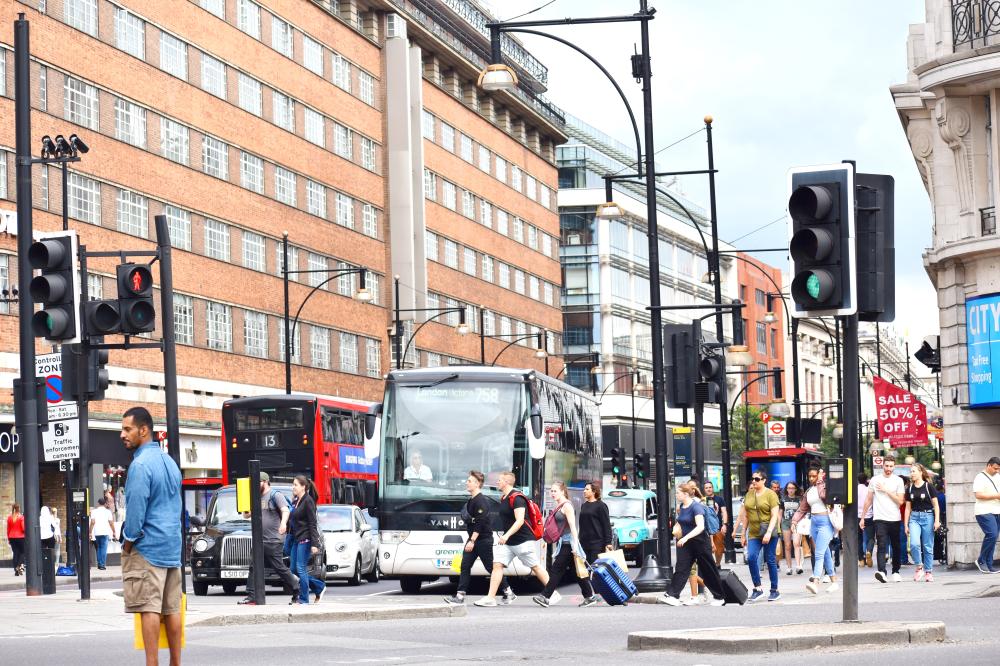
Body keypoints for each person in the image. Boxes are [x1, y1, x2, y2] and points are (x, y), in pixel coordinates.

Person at [119, 406, 183, 666]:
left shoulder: (140, 465)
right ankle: (176, 663)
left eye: (127, 429)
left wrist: (128, 542)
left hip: (148, 548)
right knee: (173, 609)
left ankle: (152, 663)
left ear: (143, 430)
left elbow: (135, 510)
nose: (122, 435)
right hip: (171, 546)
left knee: (150, 608)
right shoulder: (169, 462)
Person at [474, 471, 549, 607]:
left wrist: (506, 535)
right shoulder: (505, 498)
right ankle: (490, 598)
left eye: (500, 480)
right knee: (497, 565)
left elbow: (520, 521)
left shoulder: (517, 498)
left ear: (507, 482)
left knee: (536, 567)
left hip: (522, 540)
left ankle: (552, 592)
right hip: (509, 543)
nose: (497, 482)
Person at [444, 470, 511, 605]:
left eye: (469, 481)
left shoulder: (481, 501)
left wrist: (472, 541)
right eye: (467, 481)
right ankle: (460, 595)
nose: (466, 483)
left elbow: (480, 523)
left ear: (477, 484)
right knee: (465, 565)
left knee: (490, 567)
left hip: (483, 540)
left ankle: (508, 591)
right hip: (475, 539)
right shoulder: (472, 499)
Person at [658, 481, 726, 607]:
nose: (676, 495)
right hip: (686, 544)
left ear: (685, 494)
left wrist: (686, 538)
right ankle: (673, 595)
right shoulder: (682, 507)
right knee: (681, 568)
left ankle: (720, 597)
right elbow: (683, 523)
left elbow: (700, 527)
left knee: (708, 570)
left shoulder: (696, 507)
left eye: (678, 493)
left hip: (700, 543)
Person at [534, 481, 597, 608]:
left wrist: (575, 546)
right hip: (564, 542)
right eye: (551, 491)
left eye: (555, 491)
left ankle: (545, 596)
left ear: (562, 491)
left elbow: (573, 526)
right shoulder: (559, 505)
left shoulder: (567, 506)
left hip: (569, 543)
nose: (552, 493)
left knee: (557, 569)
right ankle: (589, 596)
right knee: (576, 571)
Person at [239, 472, 299, 605]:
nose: (254, 486)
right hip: (259, 539)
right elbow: (246, 516)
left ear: (265, 482)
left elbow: (285, 510)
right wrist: (245, 506)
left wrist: (283, 523)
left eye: (257, 483)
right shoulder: (255, 497)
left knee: (278, 567)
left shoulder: (275, 495)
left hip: (273, 539)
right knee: (253, 567)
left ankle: (296, 584)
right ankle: (251, 596)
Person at [735, 470, 781, 602]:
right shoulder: (749, 494)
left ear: (764, 480)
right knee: (751, 557)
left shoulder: (771, 494)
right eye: (753, 479)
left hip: (769, 531)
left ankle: (774, 590)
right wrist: (743, 533)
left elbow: (774, 516)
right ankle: (758, 588)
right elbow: (746, 515)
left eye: (757, 479)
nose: (754, 481)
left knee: (770, 559)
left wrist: (768, 532)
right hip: (754, 532)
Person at [792, 466, 838, 594]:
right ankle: (834, 581)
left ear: (819, 474)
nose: (811, 478)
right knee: (825, 552)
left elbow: (824, 497)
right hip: (814, 523)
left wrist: (820, 481)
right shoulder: (809, 491)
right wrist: (794, 521)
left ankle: (816, 581)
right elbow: (802, 509)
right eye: (810, 476)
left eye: (814, 475)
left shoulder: (824, 486)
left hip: (825, 522)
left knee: (818, 553)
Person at [861, 456, 905, 583]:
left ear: (894, 467)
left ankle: (896, 571)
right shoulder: (875, 480)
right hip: (879, 518)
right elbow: (868, 499)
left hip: (894, 518)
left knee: (896, 546)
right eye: (886, 466)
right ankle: (882, 572)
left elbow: (900, 501)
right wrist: (863, 517)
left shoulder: (898, 481)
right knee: (881, 545)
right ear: (883, 466)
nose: (888, 469)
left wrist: (886, 490)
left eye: (891, 466)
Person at [289, 474, 325, 604]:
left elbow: (312, 523)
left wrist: (314, 544)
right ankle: (319, 586)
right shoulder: (295, 501)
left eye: (296, 485)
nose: (293, 487)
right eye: (293, 484)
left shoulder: (308, 501)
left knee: (300, 568)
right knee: (293, 569)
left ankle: (304, 599)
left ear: (303, 487)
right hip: (296, 539)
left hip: (305, 539)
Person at [904, 463, 941, 582]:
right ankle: (919, 567)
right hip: (914, 517)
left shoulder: (928, 486)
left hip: (928, 516)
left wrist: (937, 521)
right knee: (914, 544)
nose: (912, 474)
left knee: (927, 546)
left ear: (921, 472)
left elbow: (936, 505)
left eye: (914, 471)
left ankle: (928, 571)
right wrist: (906, 524)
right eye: (911, 471)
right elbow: (908, 508)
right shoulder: (909, 488)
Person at [972, 456, 1000, 573]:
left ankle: (989, 564)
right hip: (984, 511)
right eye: (995, 468)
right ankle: (981, 560)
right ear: (988, 465)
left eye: (998, 469)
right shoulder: (980, 477)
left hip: (997, 511)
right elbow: (978, 495)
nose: (997, 471)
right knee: (992, 534)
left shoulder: (998, 476)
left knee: (993, 538)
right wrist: (996, 496)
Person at [578, 481, 614, 563]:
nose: (584, 491)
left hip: (597, 544)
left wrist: (608, 542)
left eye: (587, 489)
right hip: (584, 543)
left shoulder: (601, 506)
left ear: (594, 491)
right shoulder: (584, 505)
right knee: (585, 570)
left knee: (595, 568)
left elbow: (606, 525)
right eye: (584, 489)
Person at [703, 481, 729, 567]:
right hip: (706, 530)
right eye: (706, 488)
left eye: (710, 487)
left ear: (713, 488)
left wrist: (725, 524)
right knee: (707, 549)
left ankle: (717, 564)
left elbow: (724, 512)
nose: (708, 489)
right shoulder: (702, 501)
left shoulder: (719, 499)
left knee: (719, 549)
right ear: (704, 490)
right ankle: (710, 566)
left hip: (717, 528)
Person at [780, 481, 803, 575]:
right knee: (787, 545)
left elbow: (802, 511)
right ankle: (789, 567)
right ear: (786, 489)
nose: (791, 490)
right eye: (789, 488)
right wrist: (778, 525)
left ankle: (798, 566)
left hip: (797, 523)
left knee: (796, 543)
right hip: (785, 523)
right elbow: (780, 513)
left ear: (796, 489)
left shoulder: (799, 499)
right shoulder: (783, 499)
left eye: (792, 488)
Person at [90, 497, 116, 570]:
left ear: (98, 503)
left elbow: (92, 522)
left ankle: (99, 564)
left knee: (98, 548)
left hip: (97, 532)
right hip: (105, 532)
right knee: (103, 548)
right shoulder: (108, 512)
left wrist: (90, 532)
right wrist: (114, 531)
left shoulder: (94, 511)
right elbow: (111, 523)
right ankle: (102, 565)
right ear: (105, 504)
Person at [857, 473, 874, 568]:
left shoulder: (855, 489)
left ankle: (861, 559)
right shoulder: (869, 490)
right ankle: (869, 551)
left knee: (859, 539)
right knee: (871, 537)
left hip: (857, 517)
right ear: (866, 480)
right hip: (869, 516)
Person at [7, 503, 25, 576]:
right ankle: (18, 566)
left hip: (12, 537)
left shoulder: (9, 517)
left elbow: (8, 529)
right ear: (19, 508)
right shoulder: (21, 517)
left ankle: (16, 569)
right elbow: (23, 528)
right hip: (20, 537)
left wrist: (9, 538)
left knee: (15, 553)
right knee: (23, 552)